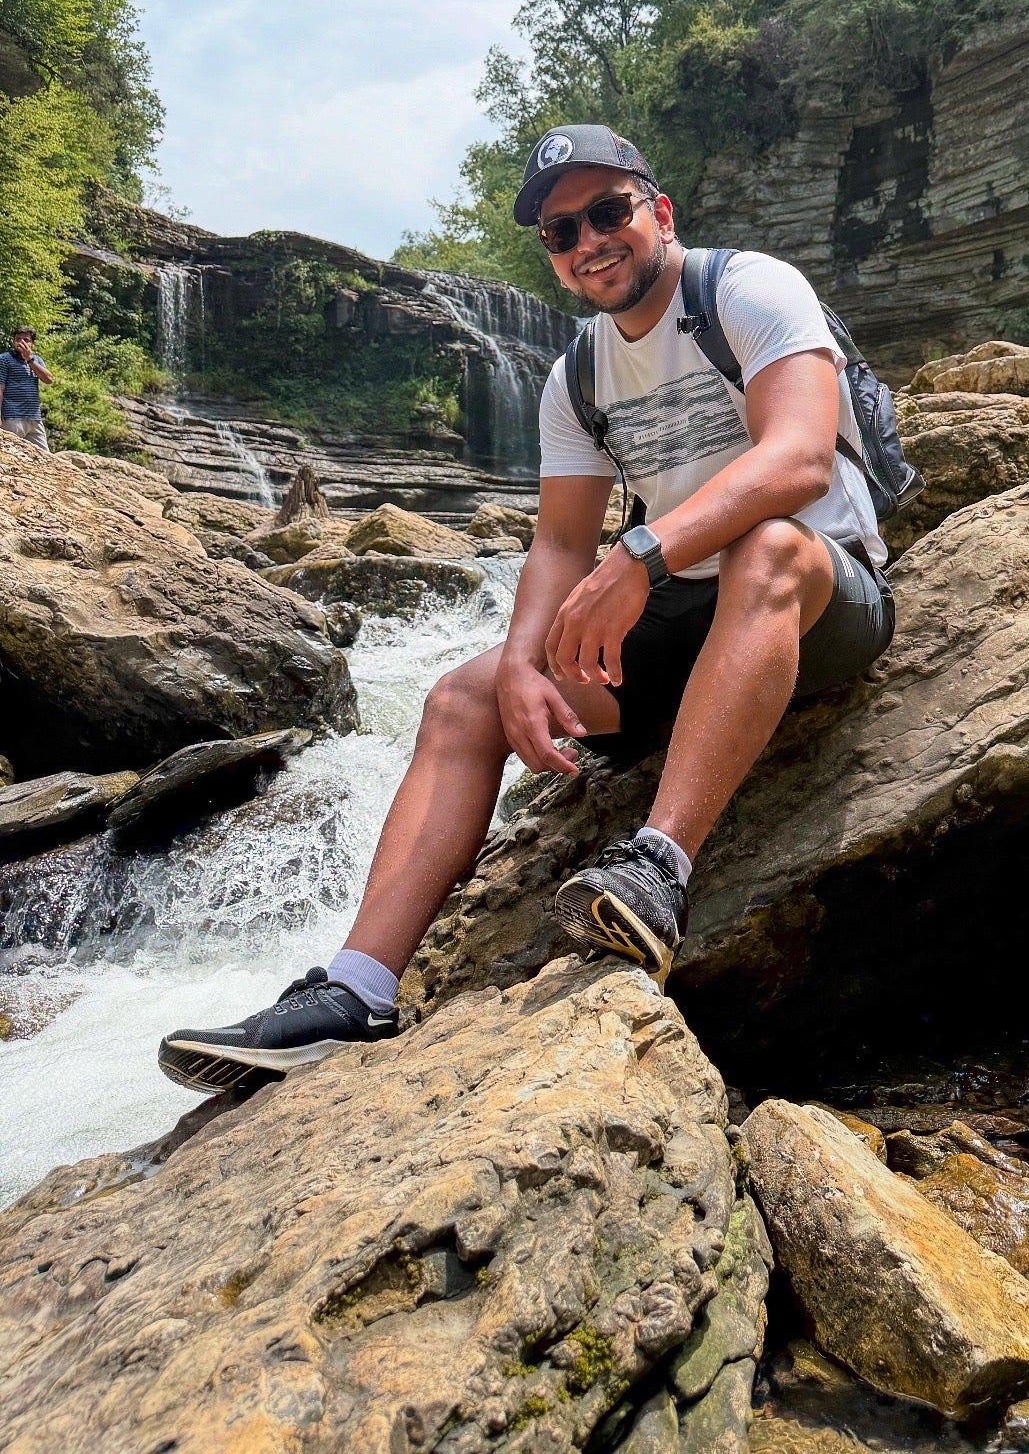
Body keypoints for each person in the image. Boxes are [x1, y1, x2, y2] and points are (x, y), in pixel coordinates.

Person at [158, 124, 895, 1092]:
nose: (589, 238)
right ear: (551, 259)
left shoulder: (747, 287)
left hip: (817, 597)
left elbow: (798, 456)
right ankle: (357, 990)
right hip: (684, 630)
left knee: (765, 546)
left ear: (657, 212)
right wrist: (518, 666)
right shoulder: (576, 377)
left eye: (607, 212)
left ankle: (658, 869)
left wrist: (642, 551)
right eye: (561, 230)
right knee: (463, 698)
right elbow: (555, 542)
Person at [0, 327, 54, 449]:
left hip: (34, 417)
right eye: (18, 339)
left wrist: (29, 359)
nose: (21, 342)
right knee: (11, 454)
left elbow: (49, 379)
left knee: (44, 457)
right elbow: (0, 389)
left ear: (32, 344)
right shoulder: (4, 359)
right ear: (13, 342)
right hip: (12, 417)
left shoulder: (37, 360)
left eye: (26, 340)